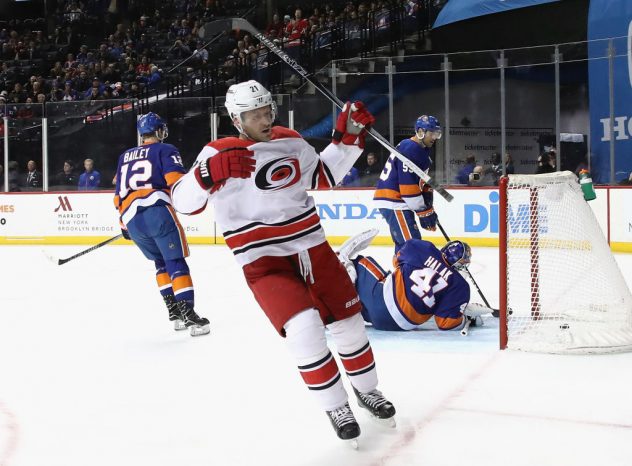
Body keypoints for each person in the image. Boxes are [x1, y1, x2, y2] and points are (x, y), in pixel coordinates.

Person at [171, 80, 395, 444]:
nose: (262, 118)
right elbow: (183, 201)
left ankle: (368, 390)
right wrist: (205, 175)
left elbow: (323, 176)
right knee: (304, 329)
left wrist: (349, 140)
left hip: (314, 249)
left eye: (265, 111)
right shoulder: (217, 151)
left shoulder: (289, 139)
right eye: (252, 114)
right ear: (235, 118)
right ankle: (336, 406)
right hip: (263, 260)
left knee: (349, 324)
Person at [114, 112, 210, 337]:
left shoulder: (124, 156)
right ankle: (190, 316)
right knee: (175, 261)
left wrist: (123, 222)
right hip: (157, 211)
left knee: (160, 262)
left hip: (130, 217)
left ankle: (174, 313)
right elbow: (175, 181)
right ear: (158, 131)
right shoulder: (166, 150)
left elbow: (118, 193)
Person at [337, 229, 491, 332]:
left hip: (381, 301)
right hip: (397, 325)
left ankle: (340, 265)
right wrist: (464, 318)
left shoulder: (422, 248)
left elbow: (396, 261)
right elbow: (446, 324)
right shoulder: (460, 287)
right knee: (361, 303)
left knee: (361, 262)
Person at [374, 115, 441, 254]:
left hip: (397, 201)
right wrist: (423, 211)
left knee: (405, 249)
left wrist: (427, 202)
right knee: (413, 248)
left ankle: (401, 274)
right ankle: (405, 274)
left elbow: (419, 182)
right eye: (432, 133)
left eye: (437, 133)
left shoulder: (419, 149)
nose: (435, 137)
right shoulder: (411, 149)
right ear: (421, 132)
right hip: (394, 201)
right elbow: (408, 189)